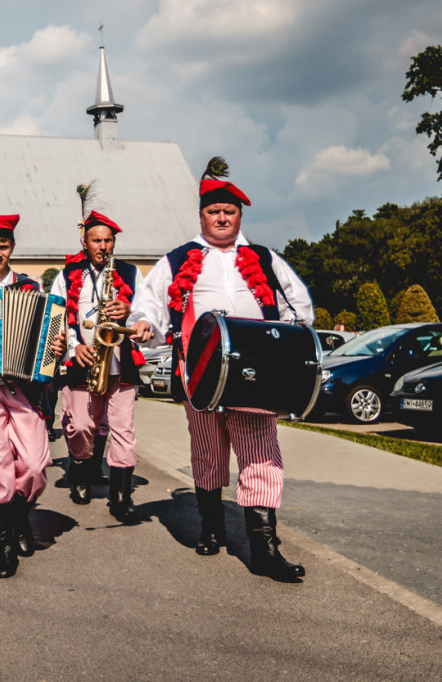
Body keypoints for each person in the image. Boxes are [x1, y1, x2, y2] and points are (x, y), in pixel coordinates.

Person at [129, 157, 314, 581]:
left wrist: (287, 335)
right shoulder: (177, 260)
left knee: (262, 455)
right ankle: (212, 529)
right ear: (202, 216)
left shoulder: (265, 259)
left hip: (258, 376)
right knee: (209, 453)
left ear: (240, 216)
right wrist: (144, 324)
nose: (222, 218)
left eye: (229, 212)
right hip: (202, 374)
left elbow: (298, 306)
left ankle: (265, 550)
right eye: (214, 212)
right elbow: (151, 304)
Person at [0, 214, 65, 578]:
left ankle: (19, 517)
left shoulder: (30, 288)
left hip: (24, 391)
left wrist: (57, 345)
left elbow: (51, 340)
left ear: (12, 248)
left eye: (4, 246)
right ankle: (5, 547)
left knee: (35, 466)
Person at [50, 210, 145, 521]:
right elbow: (56, 317)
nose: (103, 246)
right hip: (82, 361)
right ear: (84, 241)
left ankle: (120, 496)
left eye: (108, 241)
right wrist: (74, 346)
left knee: (123, 430)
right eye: (96, 241)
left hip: (121, 363)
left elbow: (147, 314)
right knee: (79, 425)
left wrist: (130, 311)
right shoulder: (67, 275)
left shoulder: (130, 273)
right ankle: (80, 470)